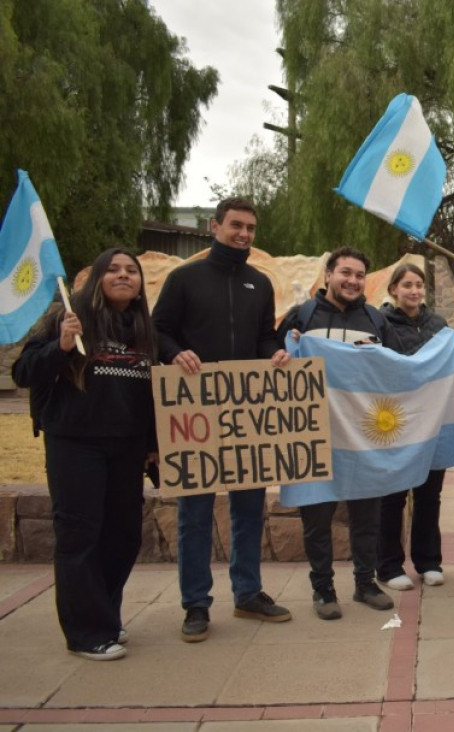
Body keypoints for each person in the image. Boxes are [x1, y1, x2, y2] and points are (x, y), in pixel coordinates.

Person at [153, 197, 293, 642]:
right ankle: (196, 604)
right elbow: (157, 331)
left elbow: (264, 337)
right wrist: (176, 353)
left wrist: (274, 353)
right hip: (195, 413)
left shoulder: (260, 283)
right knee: (194, 514)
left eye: (251, 228)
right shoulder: (183, 279)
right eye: (236, 225)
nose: (244, 234)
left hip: (246, 417)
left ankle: (248, 593)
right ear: (215, 226)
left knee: (249, 509)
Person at [13, 249, 157, 661]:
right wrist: (59, 346)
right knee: (80, 535)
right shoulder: (68, 318)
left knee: (124, 535)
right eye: (113, 270)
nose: (123, 276)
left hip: (126, 447)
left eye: (131, 271)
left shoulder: (144, 328)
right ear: (96, 277)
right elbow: (23, 372)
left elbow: (149, 394)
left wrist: (152, 445)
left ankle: (105, 616)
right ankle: (85, 632)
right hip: (75, 443)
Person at [276, 247, 394, 619]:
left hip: (363, 440)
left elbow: (395, 370)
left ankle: (365, 583)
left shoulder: (376, 321)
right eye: (345, 272)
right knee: (317, 517)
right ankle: (323, 590)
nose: (352, 281)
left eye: (359, 275)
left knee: (366, 516)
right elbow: (272, 360)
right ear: (328, 275)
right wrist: (281, 352)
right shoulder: (302, 316)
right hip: (316, 436)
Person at [377, 263, 449, 590]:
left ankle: (429, 561)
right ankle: (390, 566)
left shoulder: (439, 324)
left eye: (419, 284)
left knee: (429, 495)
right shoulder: (378, 322)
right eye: (407, 284)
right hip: (393, 423)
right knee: (393, 497)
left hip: (431, 421)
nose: (414, 290)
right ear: (393, 289)